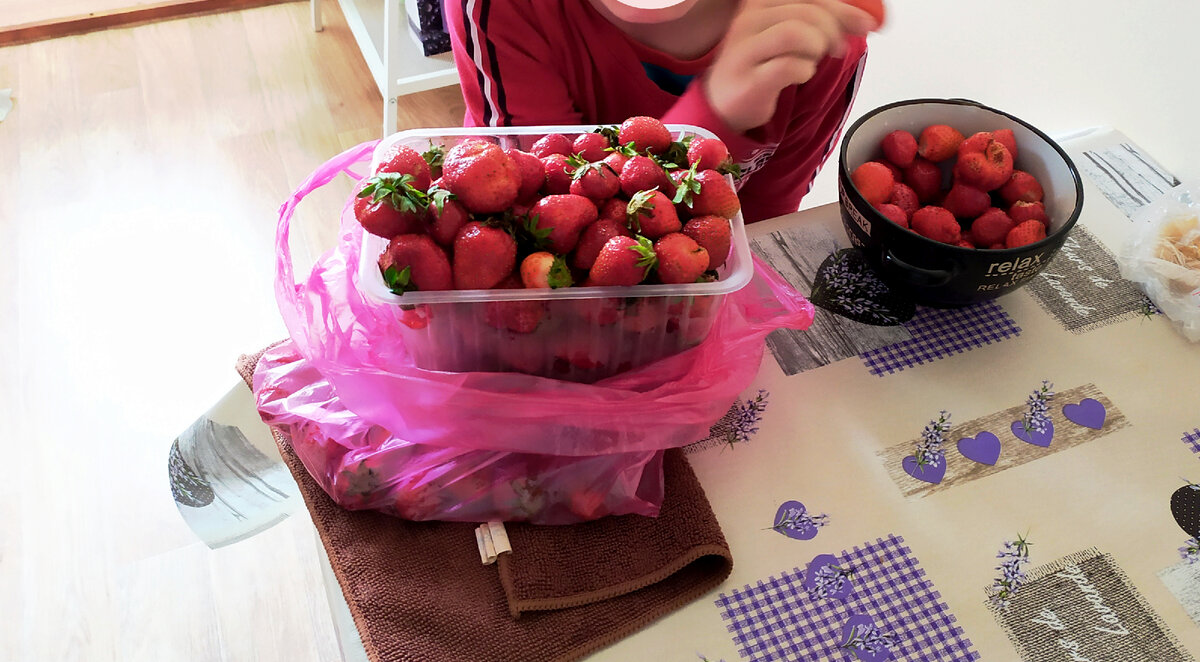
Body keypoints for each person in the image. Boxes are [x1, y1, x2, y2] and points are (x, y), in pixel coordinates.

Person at [444, 0, 879, 223]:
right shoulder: (498, 7)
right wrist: (713, 117)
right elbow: (539, 232)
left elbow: (764, 228)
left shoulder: (818, 45)